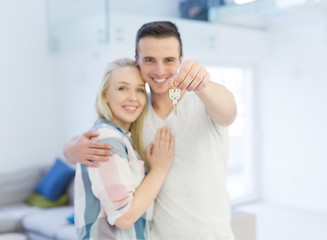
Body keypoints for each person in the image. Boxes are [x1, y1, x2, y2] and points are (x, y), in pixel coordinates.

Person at [65, 21, 237, 239]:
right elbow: (101, 134)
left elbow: (229, 112)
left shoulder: (203, 101)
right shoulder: (135, 110)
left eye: (169, 60)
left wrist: (203, 84)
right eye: (149, 60)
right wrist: (71, 148)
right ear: (137, 61)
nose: (159, 70)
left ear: (181, 61)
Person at [74, 58, 174, 240]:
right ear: (105, 94)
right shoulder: (107, 139)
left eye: (140, 90)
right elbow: (123, 216)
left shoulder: (122, 139)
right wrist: (159, 170)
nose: (133, 97)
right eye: (122, 88)